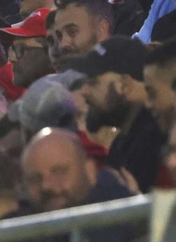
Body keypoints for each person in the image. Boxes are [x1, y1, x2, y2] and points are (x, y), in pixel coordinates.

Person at [70, 37, 166, 192]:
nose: (84, 92)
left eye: (93, 82)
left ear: (124, 84)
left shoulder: (158, 138)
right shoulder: (125, 142)